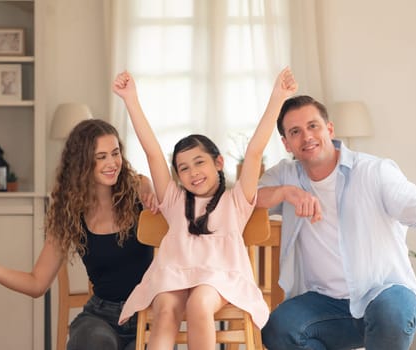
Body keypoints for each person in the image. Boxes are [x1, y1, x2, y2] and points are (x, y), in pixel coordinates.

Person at [112, 67, 297, 350]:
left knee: (199, 302)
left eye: (200, 162)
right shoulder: (174, 201)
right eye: (183, 168)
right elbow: (152, 153)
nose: (193, 172)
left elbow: (254, 152)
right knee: (164, 310)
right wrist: (130, 99)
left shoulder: (236, 201)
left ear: (218, 163)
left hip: (219, 278)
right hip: (174, 274)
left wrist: (278, 97)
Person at [0, 119, 158, 350]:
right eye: (101, 157)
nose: (112, 163)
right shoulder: (70, 214)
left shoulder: (138, 191)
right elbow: (36, 283)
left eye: (115, 153)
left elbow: (158, 192)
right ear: (82, 163)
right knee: (93, 341)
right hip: (101, 317)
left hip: (149, 314)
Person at [256, 95, 416, 350]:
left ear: (329, 128)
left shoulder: (373, 172)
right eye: (296, 131)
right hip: (326, 306)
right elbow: (246, 199)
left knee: (391, 311)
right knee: (280, 328)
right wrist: (286, 193)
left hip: (385, 296)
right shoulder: (285, 175)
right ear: (286, 143)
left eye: (313, 126)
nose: (307, 137)